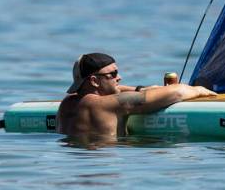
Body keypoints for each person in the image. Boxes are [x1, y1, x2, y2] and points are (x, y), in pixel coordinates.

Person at [56, 52, 216, 144]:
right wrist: (199, 89)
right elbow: (178, 92)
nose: (119, 77)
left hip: (78, 161)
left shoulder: (67, 103)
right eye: (113, 74)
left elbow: (113, 92)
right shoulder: (110, 105)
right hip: (105, 164)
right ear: (94, 81)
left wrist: (140, 89)